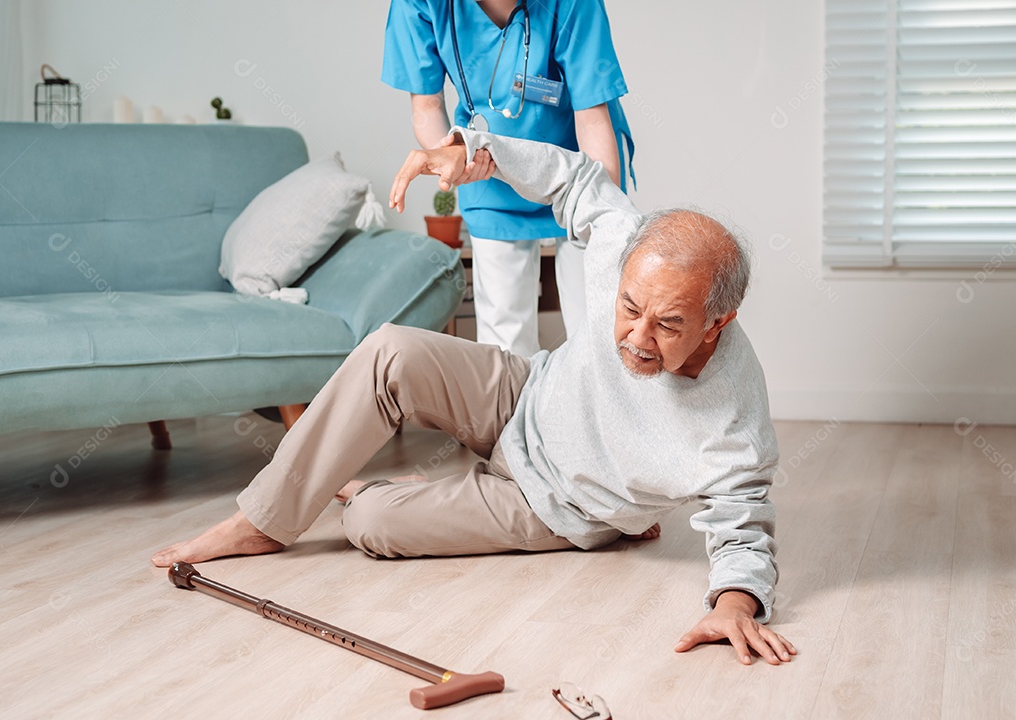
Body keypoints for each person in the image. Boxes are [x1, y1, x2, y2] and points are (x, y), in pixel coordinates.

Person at [152, 130, 795, 665]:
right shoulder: (621, 242)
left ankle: (372, 491)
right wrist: (476, 147)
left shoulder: (734, 421)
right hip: (525, 395)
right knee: (391, 350)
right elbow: (572, 177)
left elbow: (743, 531)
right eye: (629, 309)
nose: (637, 337)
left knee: (370, 524)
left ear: (719, 321)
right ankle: (264, 522)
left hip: (559, 506)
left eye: (669, 325)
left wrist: (734, 607)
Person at [382, 0, 635, 356]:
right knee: (506, 345)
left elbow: (592, 118)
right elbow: (426, 107)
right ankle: (520, 414)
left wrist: (604, 215)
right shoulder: (420, 3)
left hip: (577, 169)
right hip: (487, 167)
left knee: (599, 330)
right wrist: (451, 154)